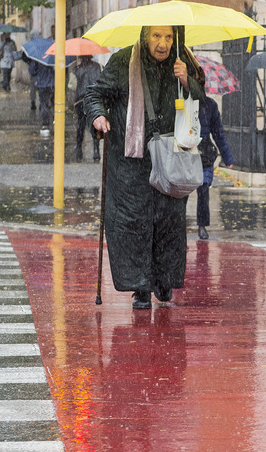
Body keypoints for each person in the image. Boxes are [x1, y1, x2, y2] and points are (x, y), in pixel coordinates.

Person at [85, 25, 207, 309]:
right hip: (132, 161)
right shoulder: (123, 62)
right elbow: (94, 95)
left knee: (168, 223)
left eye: (168, 37)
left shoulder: (183, 59)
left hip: (171, 157)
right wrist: (98, 116)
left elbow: (201, 99)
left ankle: (163, 281)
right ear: (144, 36)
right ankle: (140, 286)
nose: (163, 44)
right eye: (156, 36)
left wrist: (187, 80)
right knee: (135, 223)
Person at [195, 94, 235, 240]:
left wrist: (227, 157)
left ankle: (202, 225)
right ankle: (179, 224)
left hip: (204, 153)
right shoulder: (181, 101)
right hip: (186, 152)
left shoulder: (210, 105)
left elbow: (218, 133)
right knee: (181, 192)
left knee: (204, 189)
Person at [71, 54, 102, 161]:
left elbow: (72, 85)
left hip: (81, 100)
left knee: (81, 124)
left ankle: (79, 148)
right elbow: (101, 81)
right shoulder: (98, 67)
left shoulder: (77, 69)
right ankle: (96, 151)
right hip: (94, 99)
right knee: (95, 125)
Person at [26, 45, 54, 136]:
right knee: (53, 103)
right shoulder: (51, 56)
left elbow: (32, 71)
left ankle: (46, 124)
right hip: (52, 84)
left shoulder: (37, 58)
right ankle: (55, 120)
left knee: (43, 104)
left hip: (42, 84)